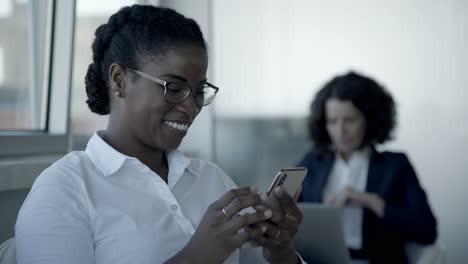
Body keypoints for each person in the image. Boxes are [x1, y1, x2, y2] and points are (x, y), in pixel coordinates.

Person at [15, 5, 304, 264]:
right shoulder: (66, 190)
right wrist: (195, 258)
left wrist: (280, 252)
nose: (191, 107)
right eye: (174, 89)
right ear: (120, 81)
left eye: (199, 91)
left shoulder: (212, 180)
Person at [297, 71, 437, 263]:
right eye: (332, 121)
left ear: (370, 119)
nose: (340, 131)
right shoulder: (312, 161)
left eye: (350, 120)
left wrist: (373, 202)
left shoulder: (396, 166)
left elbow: (427, 231)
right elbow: (291, 216)